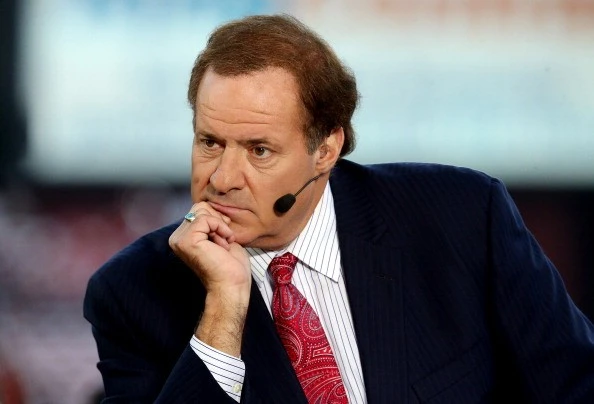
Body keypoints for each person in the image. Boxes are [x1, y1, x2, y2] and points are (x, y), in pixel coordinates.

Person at [83, 13, 594, 403]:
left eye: (259, 150)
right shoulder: (134, 291)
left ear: (326, 149)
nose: (221, 178)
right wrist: (223, 309)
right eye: (210, 142)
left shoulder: (461, 218)